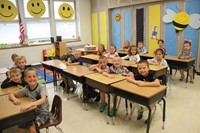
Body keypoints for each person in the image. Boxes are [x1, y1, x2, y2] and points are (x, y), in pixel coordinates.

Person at [9, 68, 49, 133]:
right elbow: (11, 94)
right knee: (21, 126)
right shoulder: (26, 89)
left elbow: (43, 100)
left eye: (34, 76)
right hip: (32, 112)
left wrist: (30, 105)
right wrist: (14, 99)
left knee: (32, 127)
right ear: (25, 79)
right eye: (29, 77)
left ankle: (34, 125)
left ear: (37, 77)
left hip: (42, 114)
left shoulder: (42, 87)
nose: (32, 79)